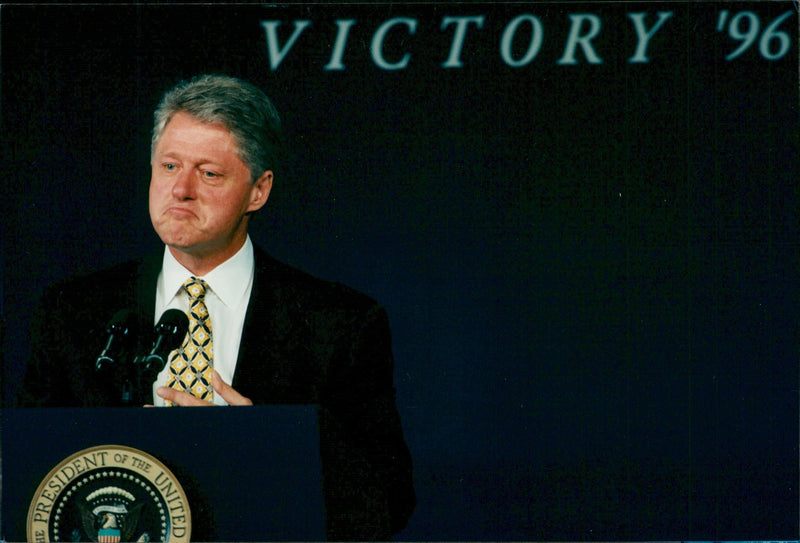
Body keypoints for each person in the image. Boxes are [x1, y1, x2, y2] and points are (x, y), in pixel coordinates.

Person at [17, 74, 415, 539]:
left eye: (208, 173)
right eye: (168, 166)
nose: (181, 190)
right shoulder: (73, 312)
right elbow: (29, 477)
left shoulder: (340, 324)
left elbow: (388, 503)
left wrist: (268, 446)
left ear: (258, 191)